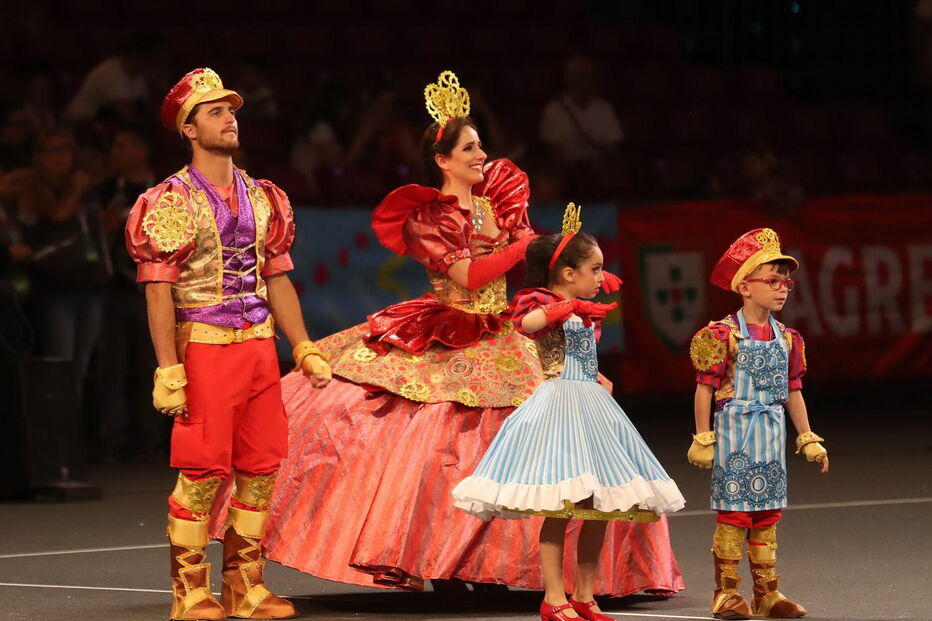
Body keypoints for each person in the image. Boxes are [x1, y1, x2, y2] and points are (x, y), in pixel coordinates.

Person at [252, 71, 684, 599]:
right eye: (470, 147)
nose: (482, 154)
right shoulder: (428, 215)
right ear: (443, 160)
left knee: (544, 434)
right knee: (436, 442)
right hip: (451, 321)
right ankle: (445, 557)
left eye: (482, 145)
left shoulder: (498, 202)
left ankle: (505, 563)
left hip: (505, 326)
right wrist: (524, 247)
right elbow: (468, 276)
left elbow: (522, 271)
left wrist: (558, 265)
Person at [125, 67, 331, 621]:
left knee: (262, 468)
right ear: (189, 129)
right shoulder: (168, 201)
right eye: (215, 112)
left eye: (231, 110)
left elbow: (278, 278)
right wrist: (168, 368)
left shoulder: (264, 198)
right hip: (205, 348)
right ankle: (189, 590)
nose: (229, 118)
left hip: (259, 347)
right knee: (202, 470)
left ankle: (245, 586)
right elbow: (158, 292)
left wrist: (304, 344)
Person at [453, 206, 685, 620]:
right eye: (594, 269)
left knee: (600, 508)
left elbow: (582, 353)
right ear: (566, 273)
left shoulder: (584, 309)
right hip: (560, 405)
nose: (601, 277)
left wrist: (598, 376)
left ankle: (585, 594)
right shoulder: (542, 302)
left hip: (591, 406)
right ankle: (553, 597)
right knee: (561, 508)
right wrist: (565, 308)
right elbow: (527, 324)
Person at [688, 228, 829, 619]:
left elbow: (793, 391)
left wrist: (806, 436)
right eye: (772, 281)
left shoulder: (788, 339)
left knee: (766, 517)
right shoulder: (723, 335)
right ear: (745, 286)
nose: (782, 289)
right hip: (735, 436)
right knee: (734, 515)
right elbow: (705, 387)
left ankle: (768, 593)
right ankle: (726, 593)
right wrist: (703, 436)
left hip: (770, 437)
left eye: (786, 283)